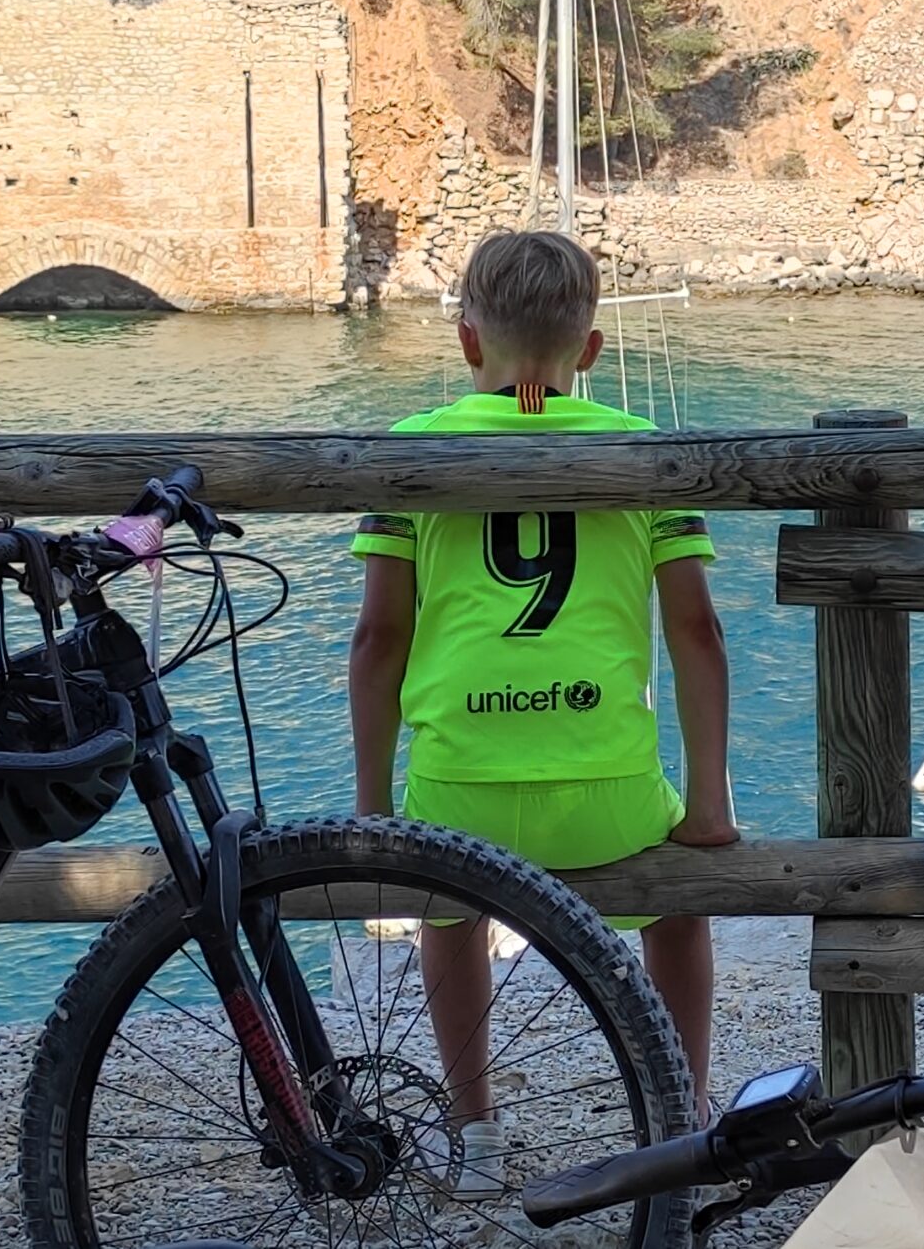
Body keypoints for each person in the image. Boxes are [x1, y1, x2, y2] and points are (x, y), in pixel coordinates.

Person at [349, 229, 735, 1191]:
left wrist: (372, 808)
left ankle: (476, 1137)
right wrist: (709, 806)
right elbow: (698, 635)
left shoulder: (407, 456)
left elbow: (378, 643)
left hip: (458, 790)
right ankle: (680, 1119)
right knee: (679, 911)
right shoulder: (645, 451)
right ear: (591, 352)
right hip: (606, 793)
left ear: (467, 342)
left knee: (449, 910)